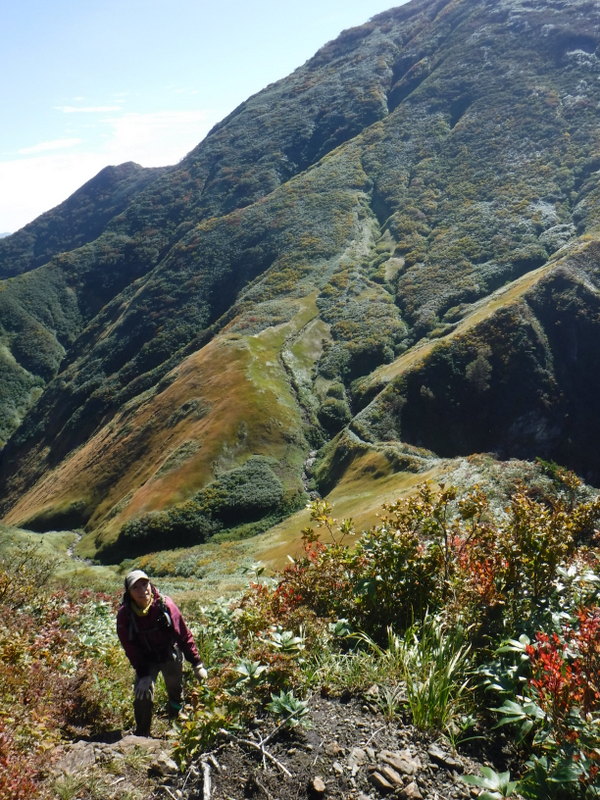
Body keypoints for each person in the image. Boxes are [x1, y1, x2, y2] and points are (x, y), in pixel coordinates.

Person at [116, 569, 208, 736]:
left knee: (175, 690)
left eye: (145, 584)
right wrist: (143, 674)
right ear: (128, 592)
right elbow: (130, 648)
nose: (142, 590)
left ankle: (176, 724)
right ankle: (142, 734)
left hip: (168, 653)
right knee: (142, 694)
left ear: (150, 584)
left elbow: (183, 634)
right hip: (145, 660)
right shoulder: (125, 615)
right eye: (135, 587)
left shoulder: (165, 605)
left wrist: (196, 663)